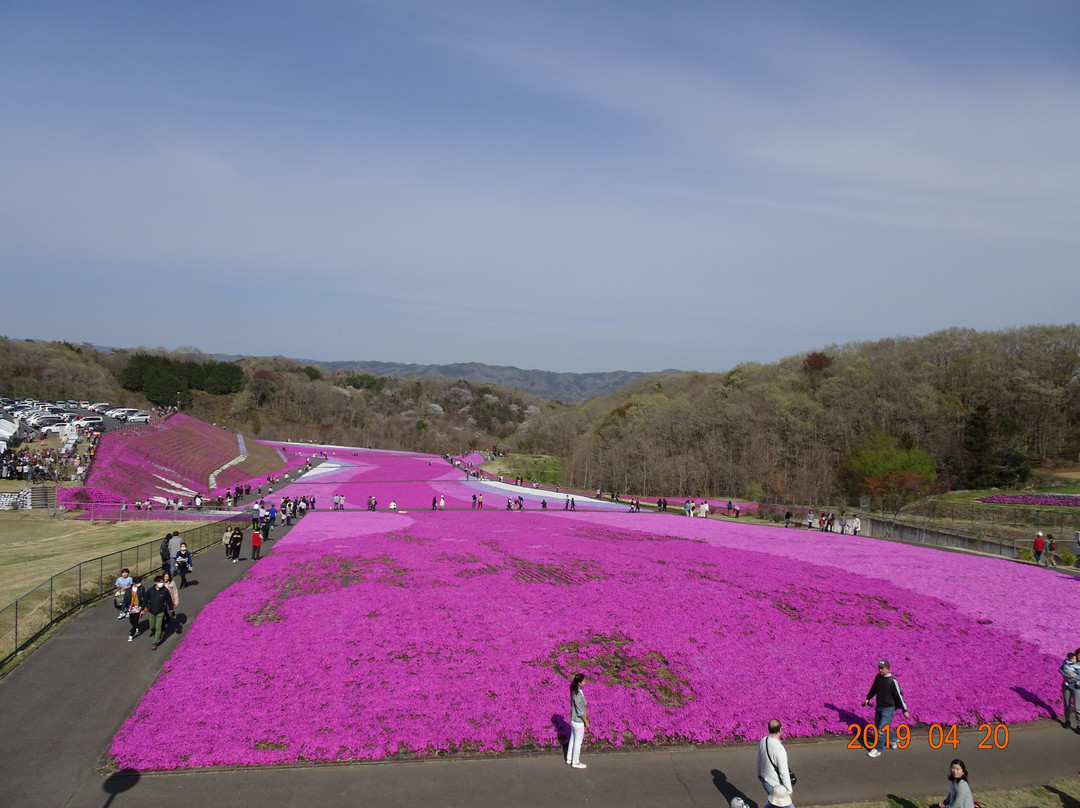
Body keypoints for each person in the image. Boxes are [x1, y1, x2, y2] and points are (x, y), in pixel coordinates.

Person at [862, 658, 909, 757]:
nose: (880, 670)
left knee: (881, 730)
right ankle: (895, 738)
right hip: (879, 707)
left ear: (887, 668)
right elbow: (874, 688)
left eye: (882, 668)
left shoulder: (892, 681)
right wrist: (868, 698)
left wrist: (904, 710)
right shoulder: (878, 677)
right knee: (881, 727)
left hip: (888, 709)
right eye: (879, 668)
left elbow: (899, 696)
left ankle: (878, 749)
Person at [757, 719, 794, 803]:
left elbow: (759, 759)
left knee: (773, 803)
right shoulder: (780, 750)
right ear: (780, 730)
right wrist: (789, 790)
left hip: (765, 778)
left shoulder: (763, 740)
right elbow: (783, 772)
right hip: (775, 784)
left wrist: (759, 773)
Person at [144, 575, 174, 651]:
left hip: (161, 611)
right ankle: (156, 634)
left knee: (158, 626)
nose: (161, 583)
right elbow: (145, 599)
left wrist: (171, 608)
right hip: (151, 611)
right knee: (152, 626)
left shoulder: (165, 591)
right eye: (160, 582)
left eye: (162, 582)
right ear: (155, 583)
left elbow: (169, 600)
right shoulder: (150, 590)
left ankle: (155, 642)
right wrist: (142, 608)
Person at [566, 673, 589, 769]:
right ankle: (575, 762)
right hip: (578, 721)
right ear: (579, 683)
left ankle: (569, 759)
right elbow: (580, 712)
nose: (585, 682)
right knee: (578, 742)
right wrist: (586, 722)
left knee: (572, 738)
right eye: (583, 681)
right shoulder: (578, 694)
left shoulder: (575, 691)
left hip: (573, 719)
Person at [1059, 649, 1079, 731]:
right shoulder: (1067, 662)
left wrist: (1072, 679)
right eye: (1079, 655)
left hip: (1076, 687)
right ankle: (1067, 721)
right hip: (1066, 685)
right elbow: (1061, 669)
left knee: (1078, 707)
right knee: (1067, 704)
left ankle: (1079, 724)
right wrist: (1066, 676)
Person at [123, 576, 146, 642]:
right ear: (133, 583)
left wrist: (142, 608)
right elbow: (125, 599)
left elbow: (144, 598)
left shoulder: (142, 589)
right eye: (137, 583)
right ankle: (136, 628)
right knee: (131, 620)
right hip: (130, 608)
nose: (139, 584)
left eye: (139, 582)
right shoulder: (128, 590)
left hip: (138, 607)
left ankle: (131, 635)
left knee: (135, 621)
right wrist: (123, 608)